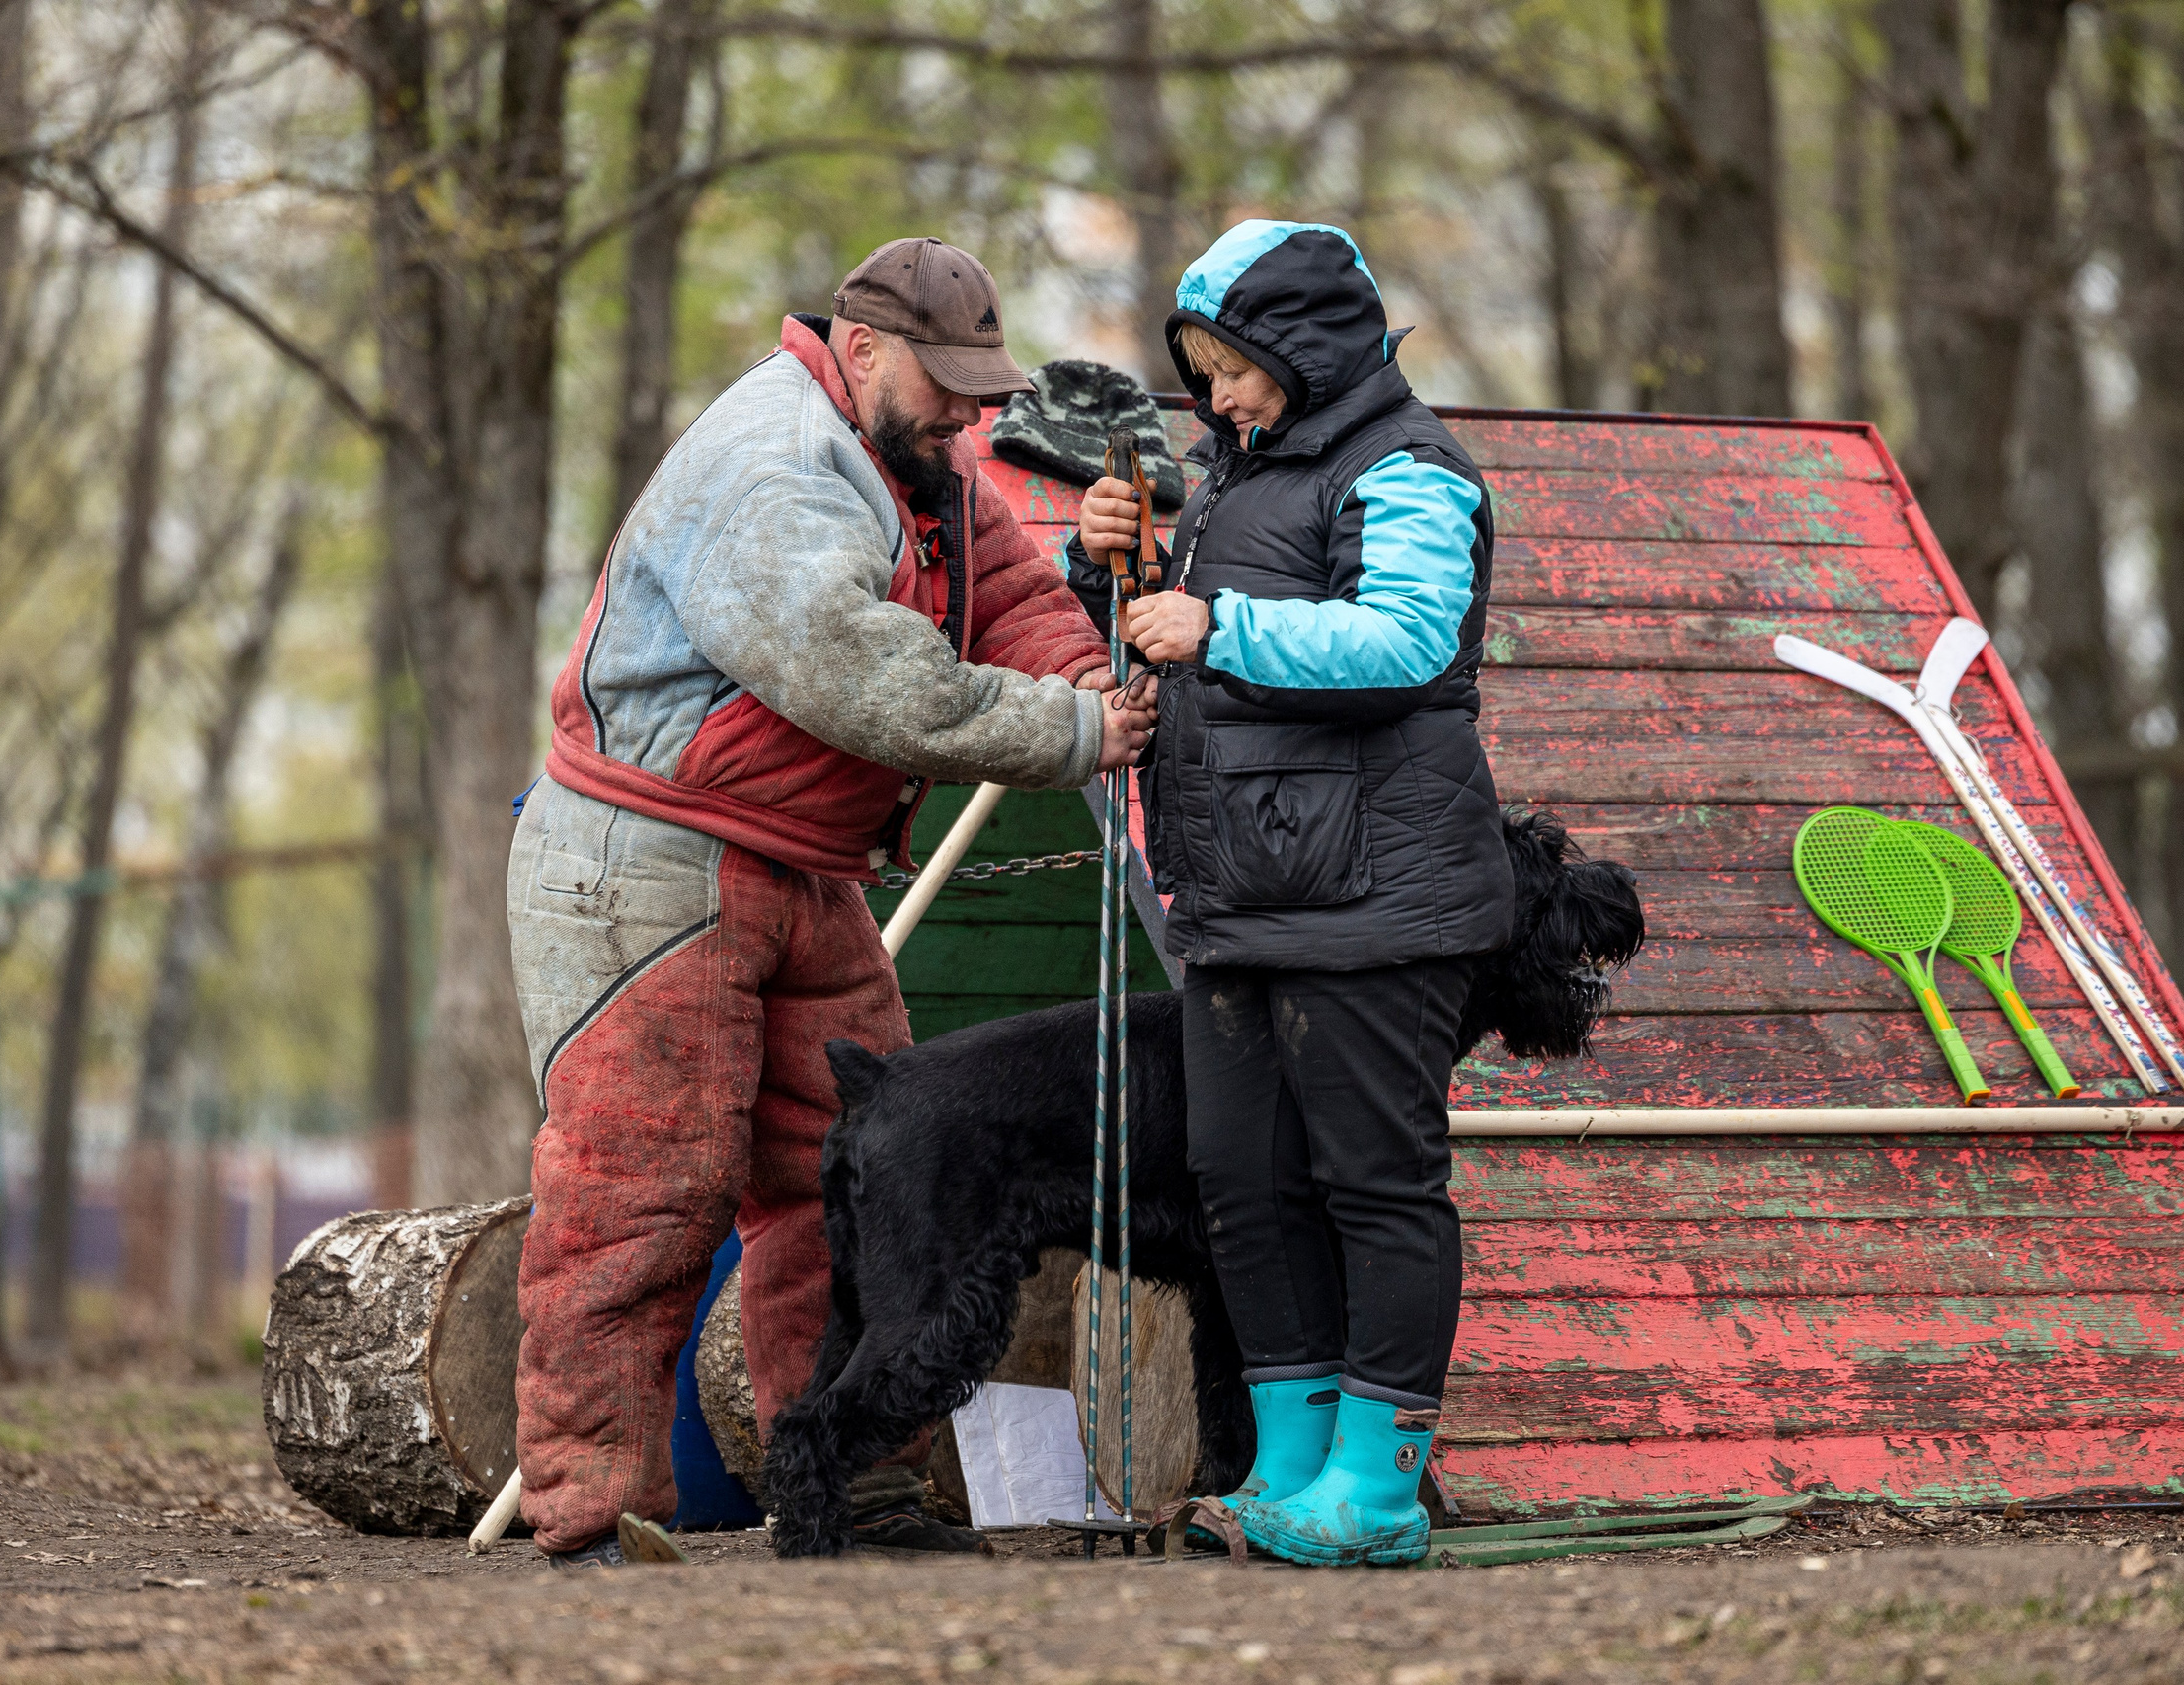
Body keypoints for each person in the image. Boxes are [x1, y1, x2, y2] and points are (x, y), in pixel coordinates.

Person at [512, 238, 1153, 1567]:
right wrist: (1069, 736)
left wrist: (1087, 679)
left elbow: (1014, 595)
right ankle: (592, 1509)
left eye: (986, 390)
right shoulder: (776, 465)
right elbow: (869, 680)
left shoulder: (924, 460)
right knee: (644, 1188)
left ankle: (853, 1485)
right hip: (652, 857)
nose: (971, 415)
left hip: (800, 861)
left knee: (871, 1172)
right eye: (948, 384)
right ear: (861, 351)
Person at [1077, 220, 1509, 1567]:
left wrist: (1220, 625)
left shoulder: (1413, 470)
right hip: (1236, 894)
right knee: (1241, 1185)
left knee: (1375, 1183)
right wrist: (1110, 565)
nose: (1219, 399)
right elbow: (1164, 626)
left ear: (1309, 348)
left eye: (1239, 370)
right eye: (1202, 372)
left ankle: (1374, 1496)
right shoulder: (1224, 476)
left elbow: (1407, 638)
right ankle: (1293, 1466)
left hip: (1378, 897)